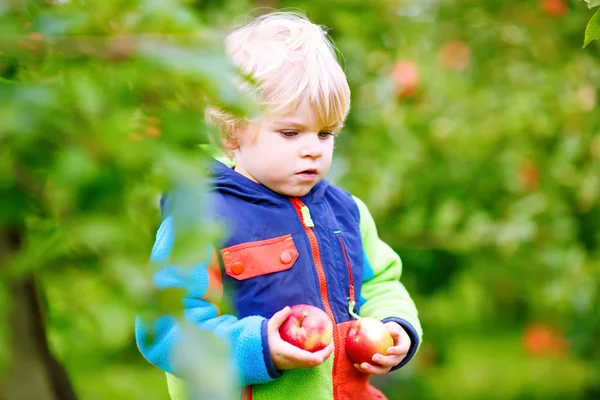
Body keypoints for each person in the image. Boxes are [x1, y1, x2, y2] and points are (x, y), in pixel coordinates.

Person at [135, 11, 422, 400]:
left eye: (325, 133)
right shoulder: (202, 219)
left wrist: (395, 327)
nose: (312, 150)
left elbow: (381, 282)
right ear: (232, 132)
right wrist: (258, 347)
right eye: (290, 132)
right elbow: (166, 327)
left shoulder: (346, 213)